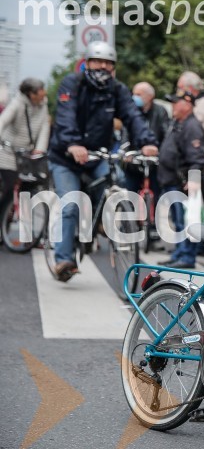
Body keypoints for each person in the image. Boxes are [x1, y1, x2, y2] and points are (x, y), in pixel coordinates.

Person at [48, 41, 158, 281]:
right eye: (98, 61)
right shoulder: (72, 84)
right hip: (66, 156)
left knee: (116, 180)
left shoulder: (117, 90)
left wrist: (147, 142)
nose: (103, 66)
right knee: (70, 206)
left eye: (108, 63)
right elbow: (65, 116)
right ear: (87, 63)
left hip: (97, 154)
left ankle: (100, 220)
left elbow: (132, 116)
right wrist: (72, 144)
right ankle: (63, 259)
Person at [157, 89, 204, 269]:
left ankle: (187, 256)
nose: (173, 106)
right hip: (171, 180)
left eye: (176, 102)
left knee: (187, 221)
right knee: (179, 221)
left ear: (187, 104)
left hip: (182, 182)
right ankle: (180, 253)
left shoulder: (192, 125)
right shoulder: (179, 123)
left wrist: (193, 178)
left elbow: (197, 157)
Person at [0, 78, 49, 224]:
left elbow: (44, 128)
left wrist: (40, 149)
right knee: (9, 189)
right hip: (8, 152)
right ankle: (2, 224)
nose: (44, 93)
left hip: (28, 154)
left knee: (28, 191)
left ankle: (27, 232)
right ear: (31, 94)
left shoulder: (43, 105)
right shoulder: (17, 104)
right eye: (40, 90)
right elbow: (2, 121)